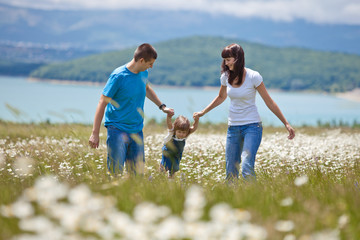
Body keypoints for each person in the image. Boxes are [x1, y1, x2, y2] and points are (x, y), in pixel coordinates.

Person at [193, 43, 295, 181]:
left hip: (252, 127)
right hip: (233, 128)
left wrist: (286, 123)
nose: (225, 62)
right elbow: (221, 97)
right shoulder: (225, 76)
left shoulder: (254, 76)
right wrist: (203, 112)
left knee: (247, 167)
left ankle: (253, 199)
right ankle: (233, 200)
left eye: (228, 59)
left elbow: (269, 101)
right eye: (224, 59)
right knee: (230, 171)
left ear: (238, 58)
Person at [89, 43, 174, 176]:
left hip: (136, 130)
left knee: (137, 176)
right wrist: (95, 133)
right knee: (115, 173)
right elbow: (102, 102)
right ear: (141, 60)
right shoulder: (118, 76)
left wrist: (162, 106)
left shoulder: (143, 72)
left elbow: (146, 88)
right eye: (150, 63)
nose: (151, 67)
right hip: (117, 129)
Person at [160, 113, 199, 178]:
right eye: (179, 132)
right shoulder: (172, 132)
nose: (181, 134)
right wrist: (169, 116)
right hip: (167, 153)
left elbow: (194, 128)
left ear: (186, 132)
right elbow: (169, 124)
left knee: (173, 171)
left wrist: (196, 120)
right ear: (175, 130)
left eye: (184, 132)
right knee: (163, 168)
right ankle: (159, 179)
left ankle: (170, 182)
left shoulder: (185, 135)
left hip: (177, 156)